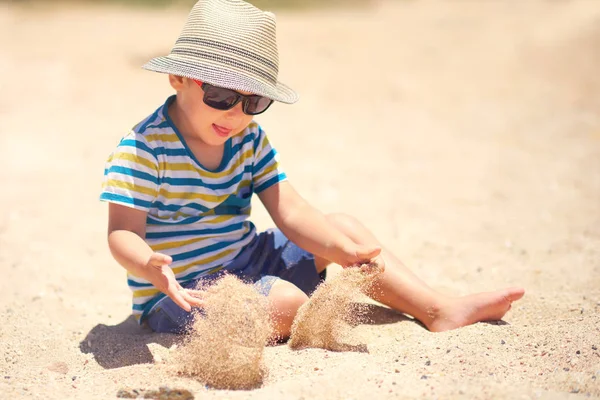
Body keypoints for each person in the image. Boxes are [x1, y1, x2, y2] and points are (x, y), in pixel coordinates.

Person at [101, 0, 524, 338]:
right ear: (178, 77)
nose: (235, 113)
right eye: (220, 94)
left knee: (343, 226)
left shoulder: (248, 139)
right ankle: (277, 300)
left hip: (247, 257)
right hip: (183, 290)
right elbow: (122, 232)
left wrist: (339, 252)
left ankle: (436, 309)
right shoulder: (143, 148)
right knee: (286, 304)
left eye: (254, 102)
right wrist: (149, 265)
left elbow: (293, 212)